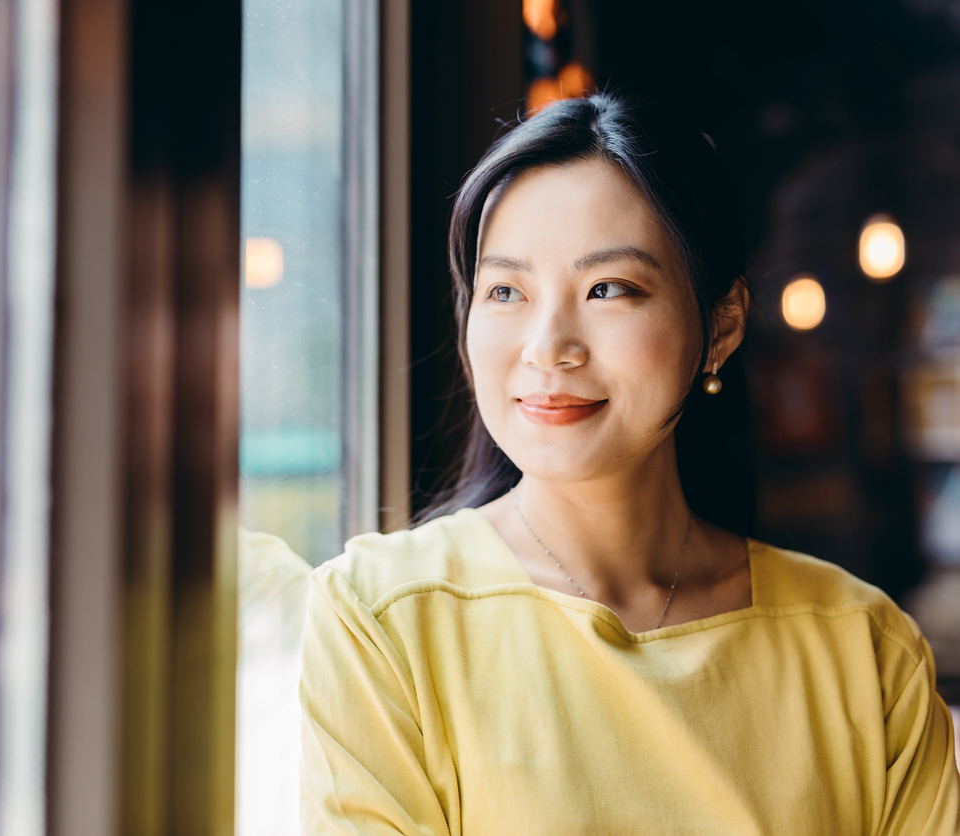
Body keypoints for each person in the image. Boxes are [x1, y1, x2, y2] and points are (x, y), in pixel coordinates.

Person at [298, 93, 960, 835]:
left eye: (608, 289)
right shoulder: (382, 620)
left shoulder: (862, 650)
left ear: (721, 325)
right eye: (506, 291)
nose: (549, 346)